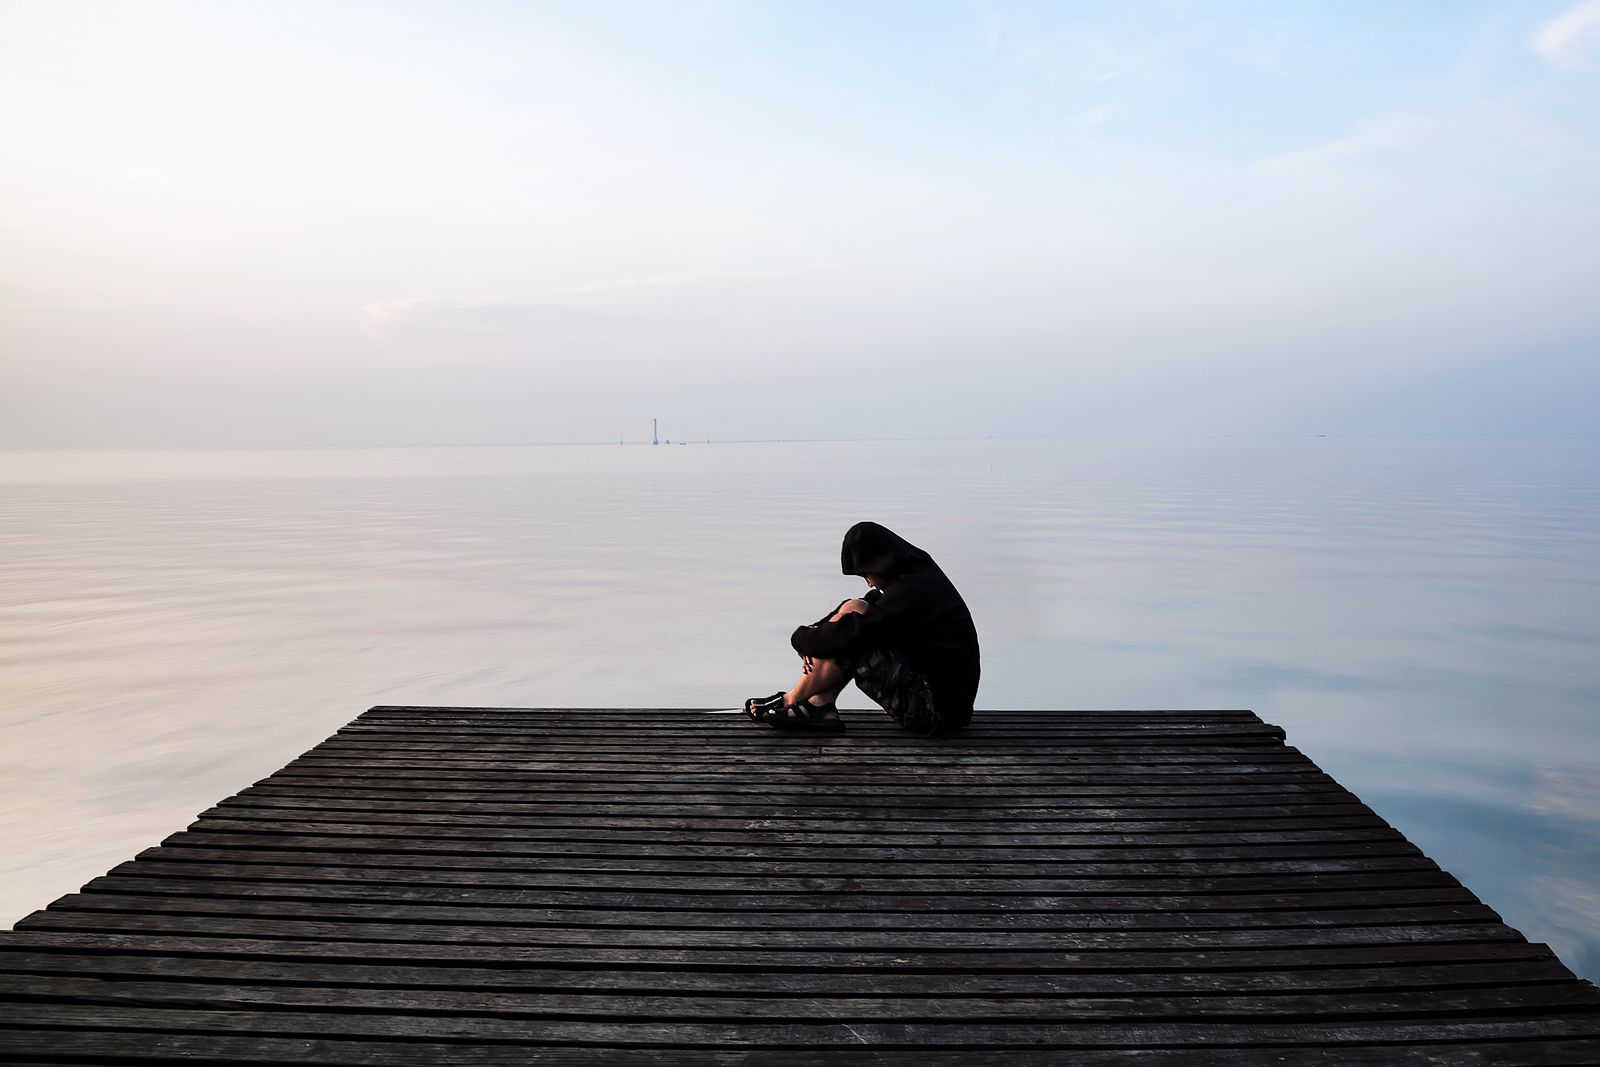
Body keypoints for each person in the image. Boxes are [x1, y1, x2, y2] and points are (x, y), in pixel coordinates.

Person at [745, 521, 980, 737]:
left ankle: (792, 699)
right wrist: (814, 631)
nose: (868, 582)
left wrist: (800, 639)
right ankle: (820, 704)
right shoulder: (914, 576)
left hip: (935, 714)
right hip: (935, 703)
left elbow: (852, 632)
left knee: (854, 635)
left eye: (867, 574)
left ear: (881, 563)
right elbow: (856, 610)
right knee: (854, 609)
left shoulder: (915, 588)